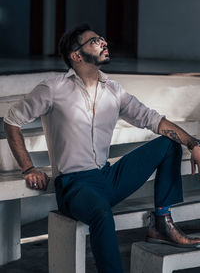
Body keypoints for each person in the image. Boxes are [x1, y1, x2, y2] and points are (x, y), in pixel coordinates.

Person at [3, 24, 200, 273]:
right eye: (95, 41)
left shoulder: (113, 90)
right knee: (102, 214)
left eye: (102, 39)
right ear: (76, 55)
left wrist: (194, 144)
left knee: (168, 145)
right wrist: (28, 167)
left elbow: (154, 120)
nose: (104, 42)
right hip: (74, 185)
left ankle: (162, 222)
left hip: (107, 177)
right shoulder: (53, 89)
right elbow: (12, 121)